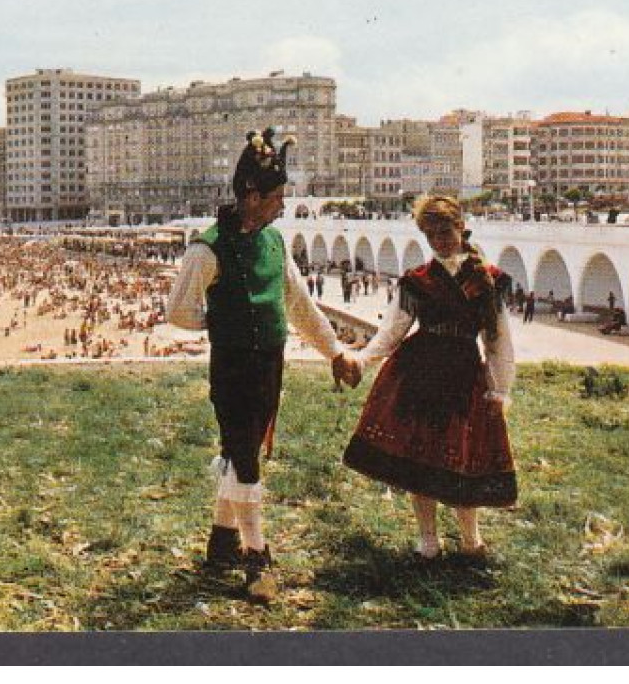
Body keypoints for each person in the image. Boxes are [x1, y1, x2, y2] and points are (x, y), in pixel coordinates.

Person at [165, 130, 361, 600]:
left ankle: (221, 539)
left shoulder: (274, 244)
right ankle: (256, 557)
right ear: (250, 195)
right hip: (233, 367)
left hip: (270, 367)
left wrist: (334, 352)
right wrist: (224, 322)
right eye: (275, 197)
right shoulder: (207, 248)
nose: (281, 206)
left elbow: (300, 306)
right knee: (248, 459)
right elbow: (179, 311)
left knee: (243, 450)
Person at [342, 194, 517, 559]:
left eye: (446, 231)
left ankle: (471, 540)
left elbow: (498, 340)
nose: (441, 241)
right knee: (419, 460)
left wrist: (500, 389)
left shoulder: (489, 281)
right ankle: (429, 540)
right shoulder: (416, 281)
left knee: (463, 458)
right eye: (432, 235)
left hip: (465, 377)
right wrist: (362, 361)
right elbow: (392, 331)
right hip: (419, 375)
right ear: (424, 237)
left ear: (461, 227)